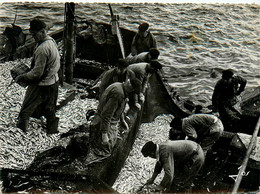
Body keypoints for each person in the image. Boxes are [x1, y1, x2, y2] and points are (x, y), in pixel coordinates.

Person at [15, 18, 60, 135]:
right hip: (54, 82)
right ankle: (53, 131)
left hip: (42, 85)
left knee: (25, 110)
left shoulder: (42, 49)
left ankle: (20, 133)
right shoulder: (51, 41)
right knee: (50, 109)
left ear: (42, 31)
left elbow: (37, 74)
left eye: (34, 34)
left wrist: (22, 77)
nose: (33, 37)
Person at [90, 78, 142, 157]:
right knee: (106, 150)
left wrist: (122, 120)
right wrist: (104, 134)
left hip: (108, 119)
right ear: (131, 87)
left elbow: (118, 107)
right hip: (104, 121)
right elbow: (106, 114)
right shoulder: (118, 93)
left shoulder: (120, 86)